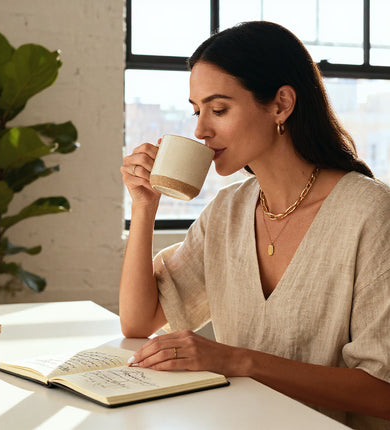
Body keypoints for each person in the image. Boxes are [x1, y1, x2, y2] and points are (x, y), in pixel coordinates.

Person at [119, 21, 390, 429]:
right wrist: (144, 208)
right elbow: (139, 322)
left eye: (219, 109)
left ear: (281, 104)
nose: (200, 130)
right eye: (197, 111)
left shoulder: (369, 212)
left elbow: (381, 392)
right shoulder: (227, 210)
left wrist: (235, 360)